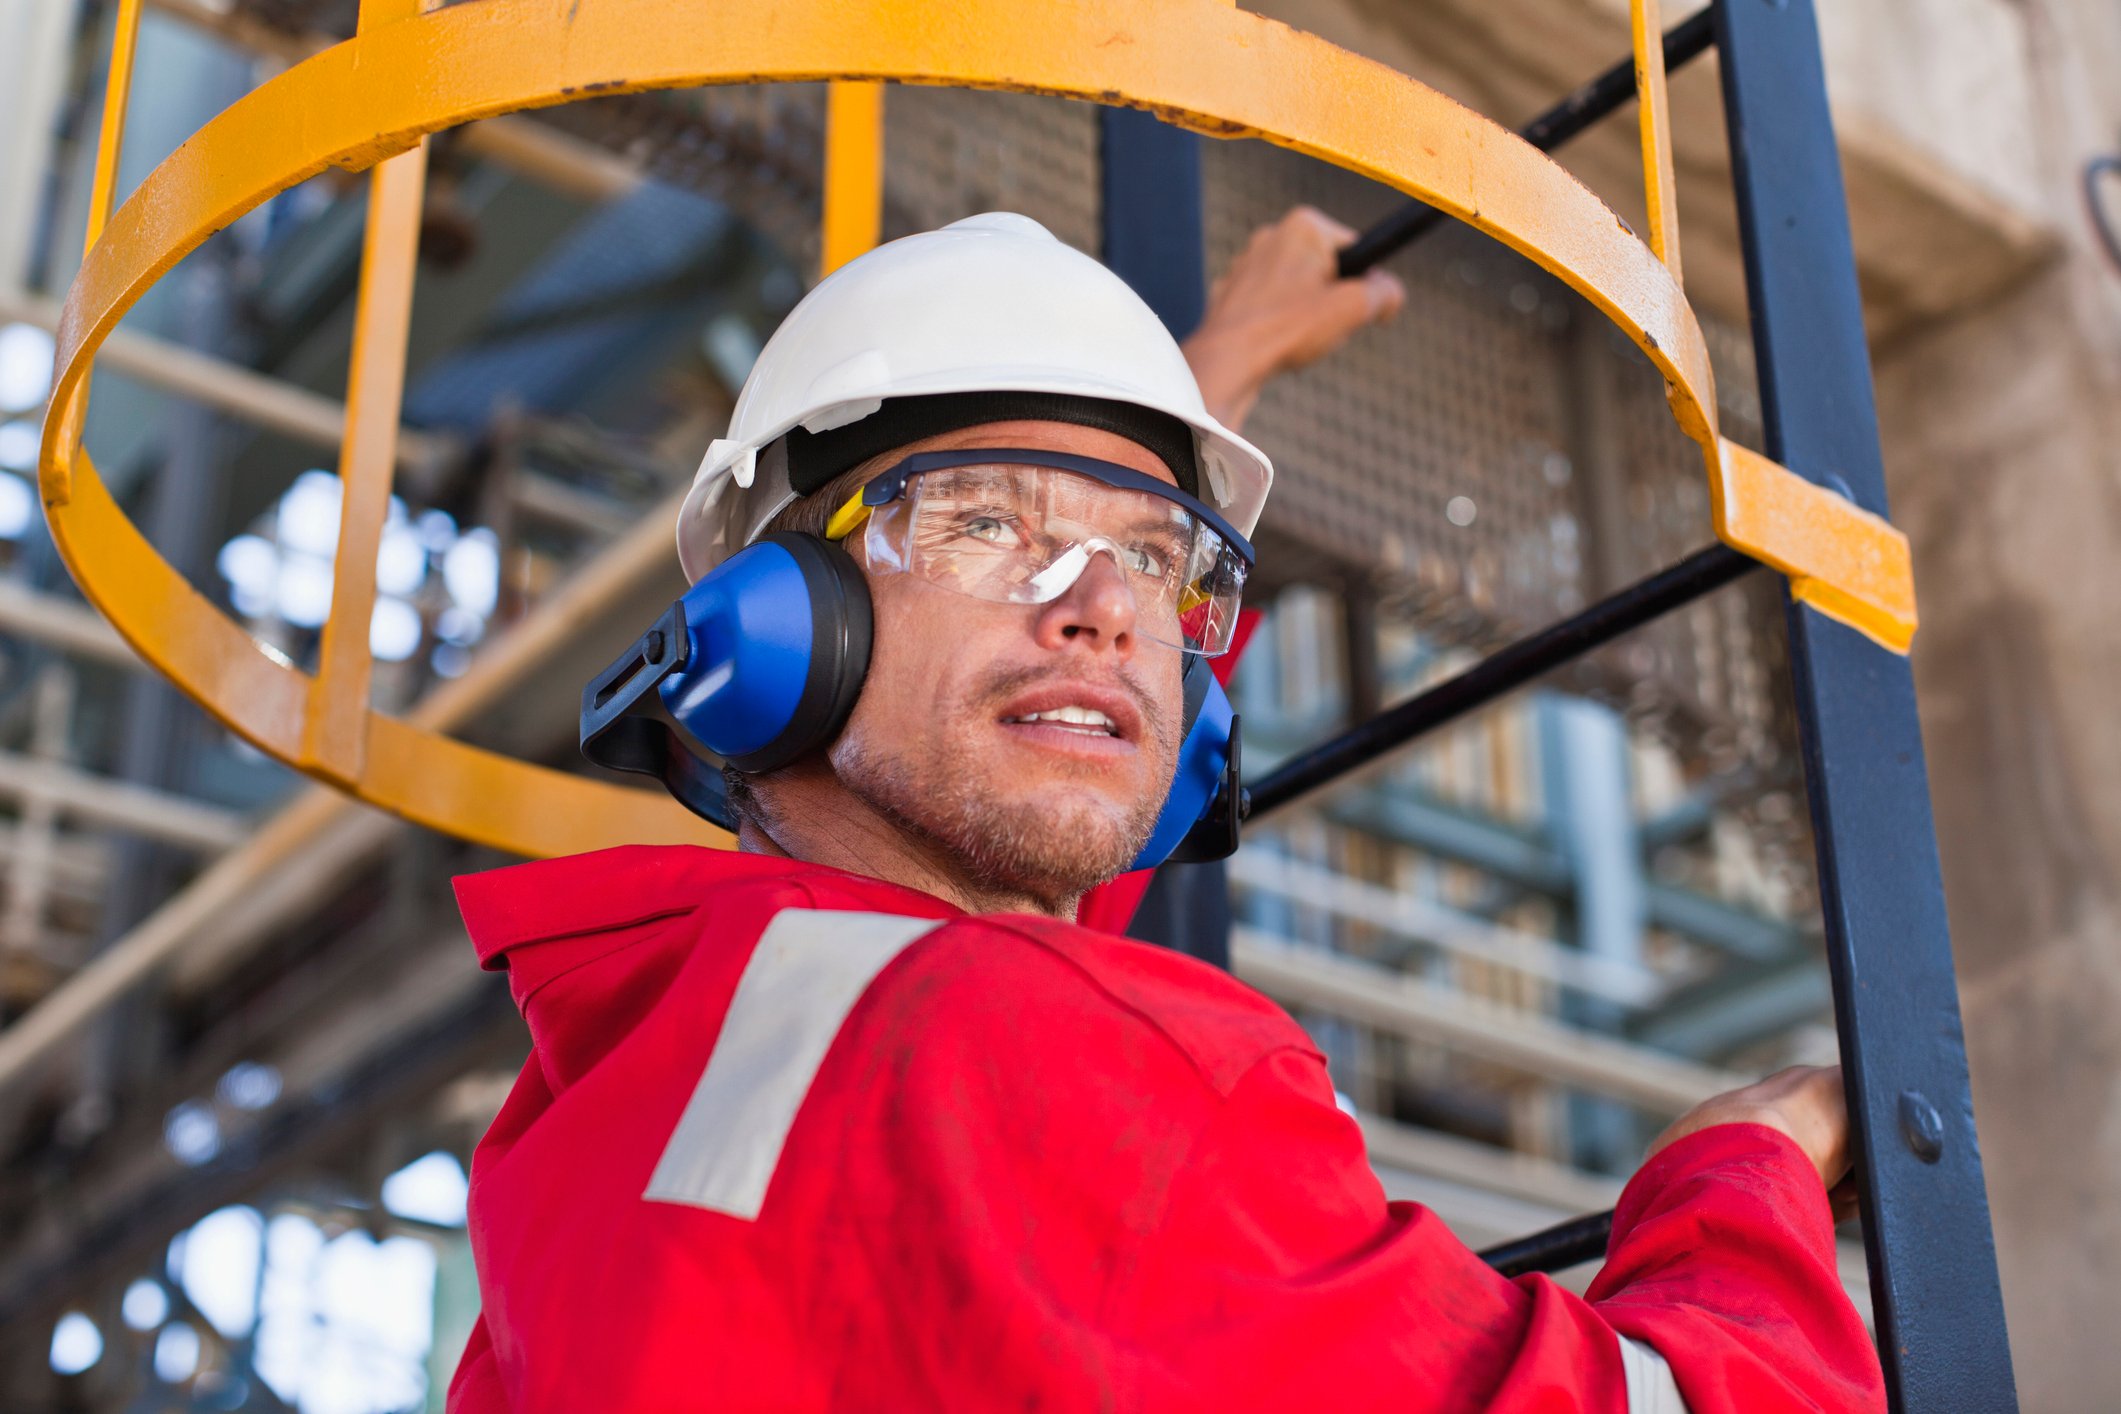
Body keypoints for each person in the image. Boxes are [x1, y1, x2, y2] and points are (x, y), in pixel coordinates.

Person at [446, 207, 1884, 1412]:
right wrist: (1738, 1176)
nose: (1109, 618)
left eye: (1153, 561)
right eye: (987, 523)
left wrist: (1217, 373)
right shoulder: (1071, 1060)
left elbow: (973, 969)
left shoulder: (615, 1095)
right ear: (778, 627)